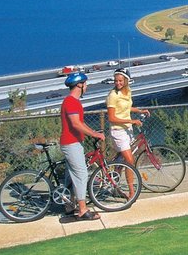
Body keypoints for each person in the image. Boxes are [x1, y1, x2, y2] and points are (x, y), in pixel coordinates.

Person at [59, 71, 104, 220]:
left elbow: (81, 123)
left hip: (74, 142)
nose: (87, 86)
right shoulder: (71, 102)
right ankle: (83, 210)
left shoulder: (73, 102)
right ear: (80, 85)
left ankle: (69, 206)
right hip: (71, 143)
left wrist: (92, 131)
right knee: (81, 174)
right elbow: (76, 124)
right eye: (85, 84)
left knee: (71, 177)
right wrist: (95, 135)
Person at [106, 68, 148, 195]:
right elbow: (111, 117)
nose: (117, 83)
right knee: (130, 161)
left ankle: (115, 185)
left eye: (120, 80)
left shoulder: (127, 92)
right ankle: (131, 192)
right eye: (115, 81)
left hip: (127, 130)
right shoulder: (113, 95)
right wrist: (133, 121)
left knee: (121, 161)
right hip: (118, 131)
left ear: (126, 81)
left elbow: (126, 107)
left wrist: (140, 111)